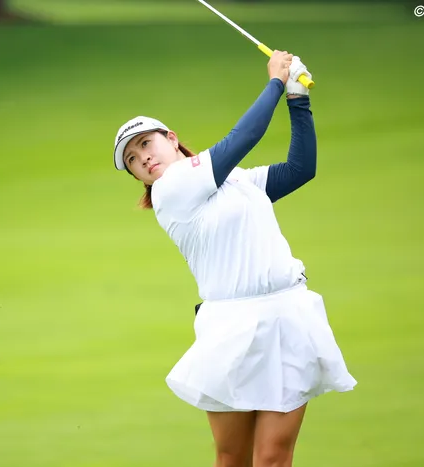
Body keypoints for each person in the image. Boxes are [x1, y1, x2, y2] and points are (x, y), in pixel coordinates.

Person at [112, 51, 357, 467]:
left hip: (287, 315)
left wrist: (298, 99)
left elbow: (300, 169)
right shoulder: (170, 190)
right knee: (232, 458)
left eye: (145, 144)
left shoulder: (237, 180)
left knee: (274, 458)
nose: (143, 158)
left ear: (171, 138)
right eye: (132, 160)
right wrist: (276, 81)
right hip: (231, 327)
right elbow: (242, 138)